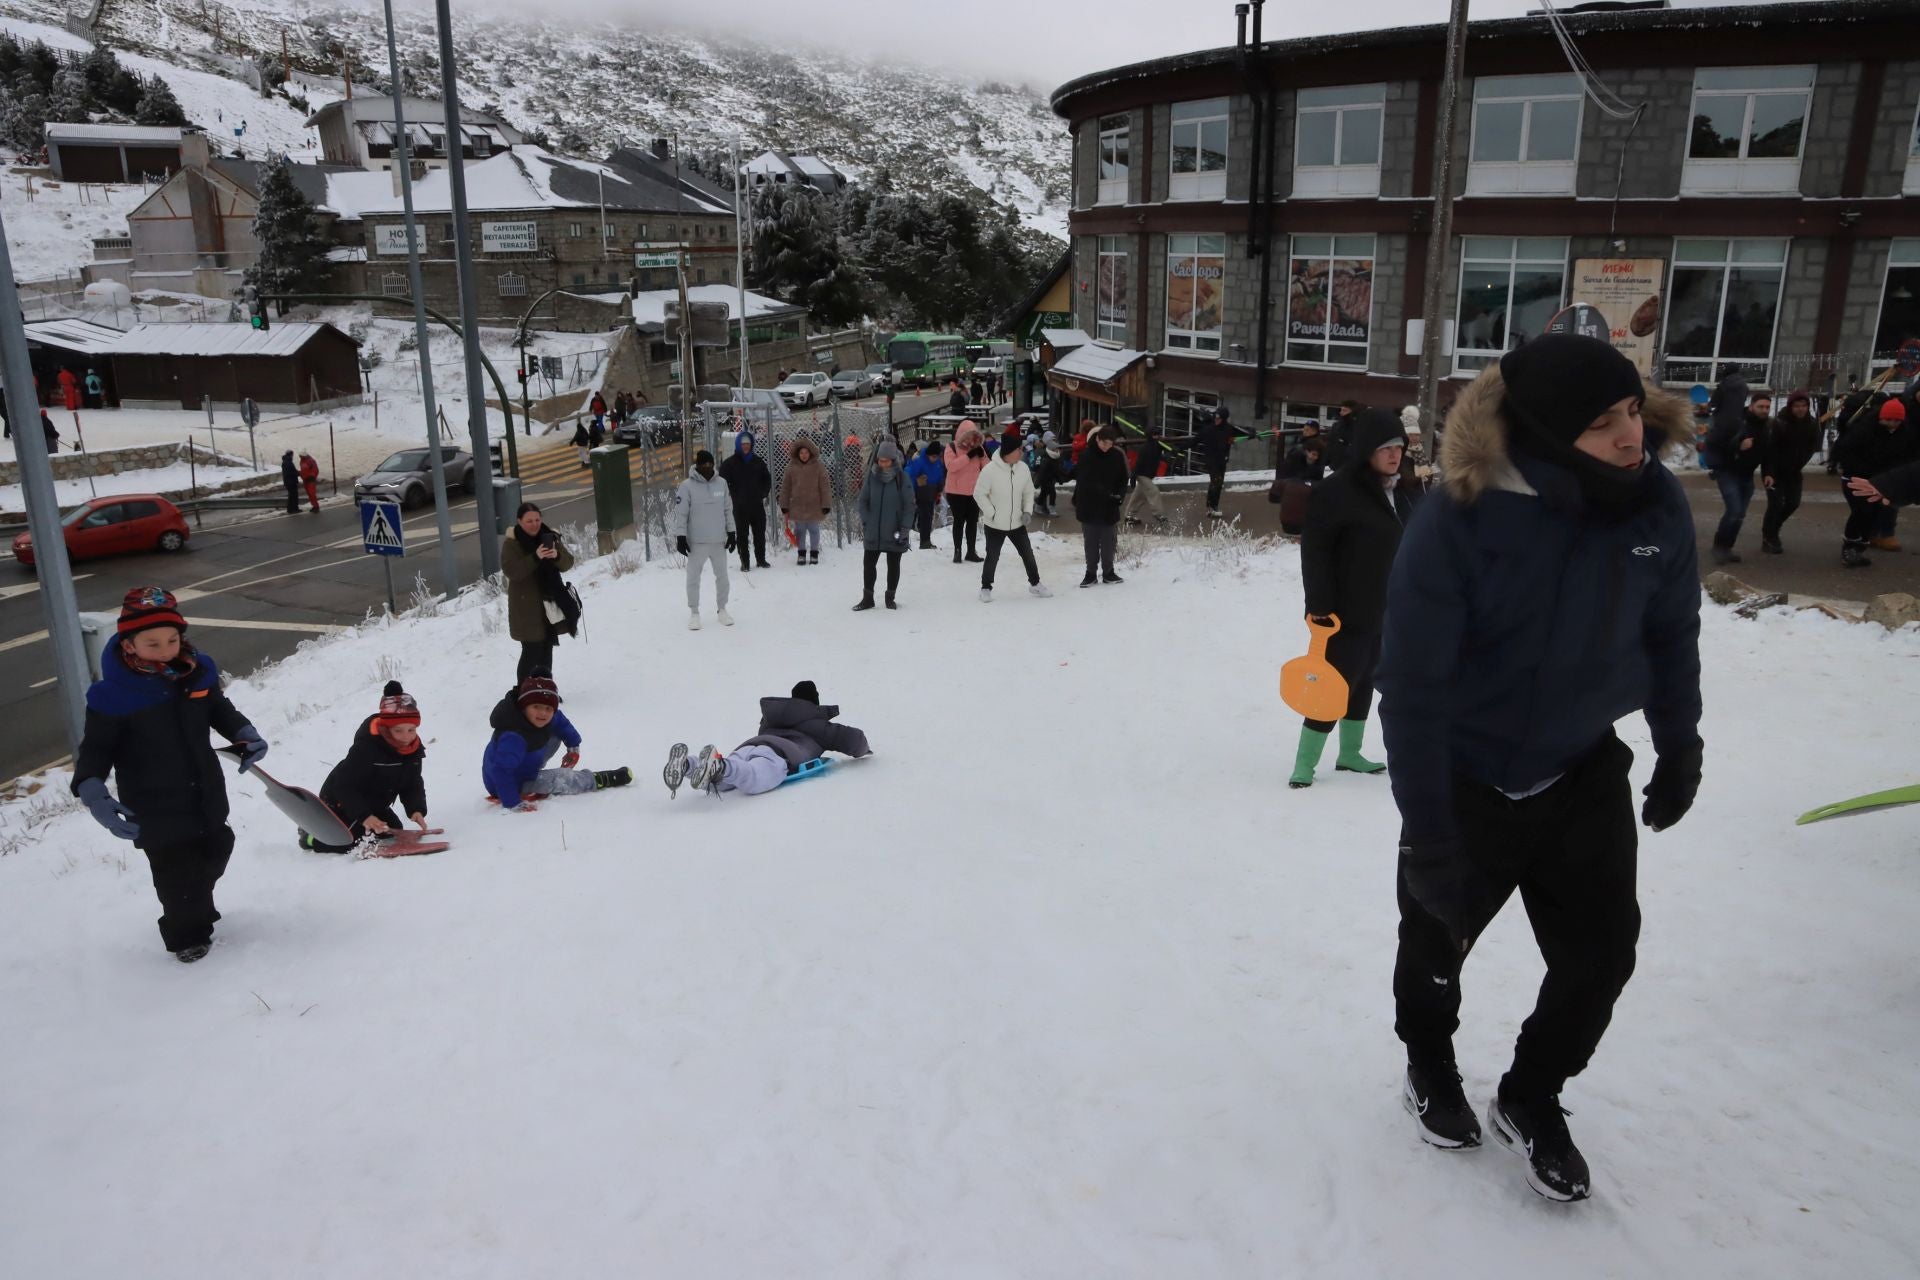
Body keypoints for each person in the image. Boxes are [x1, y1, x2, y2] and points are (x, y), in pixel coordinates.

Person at [1376, 334, 1702, 1202]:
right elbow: (1409, 688)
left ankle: (1532, 1094)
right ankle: (1428, 1060)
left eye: (1634, 411)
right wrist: (1433, 837)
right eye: (1604, 425)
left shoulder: (1654, 505)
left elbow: (1672, 632)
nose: (1633, 436)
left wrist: (1680, 744)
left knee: (1602, 957)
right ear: (1550, 434)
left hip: (1579, 766)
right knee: (1436, 941)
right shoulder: (1462, 514)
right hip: (1466, 773)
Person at [72, 587, 270, 963]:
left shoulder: (195, 673)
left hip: (205, 794)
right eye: (153, 643)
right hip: (154, 806)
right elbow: (96, 750)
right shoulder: (114, 695)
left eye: (172, 640)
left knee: (217, 849)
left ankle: (196, 905)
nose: (165, 650)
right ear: (129, 644)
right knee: (177, 879)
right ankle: (185, 936)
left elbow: (219, 709)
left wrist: (244, 733)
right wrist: (91, 788)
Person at [1291, 409, 1416, 788]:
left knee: (1364, 681)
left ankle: (1350, 753)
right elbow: (1315, 552)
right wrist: (1319, 606)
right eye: (1386, 448)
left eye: (1399, 447)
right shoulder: (1337, 491)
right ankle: (1304, 764)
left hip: (1387, 609)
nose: (1395, 455)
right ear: (1366, 450)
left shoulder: (1401, 489)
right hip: (1344, 611)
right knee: (1333, 683)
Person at [661, 680, 871, 798]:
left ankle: (689, 765)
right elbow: (853, 739)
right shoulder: (817, 724)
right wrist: (865, 749)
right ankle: (719, 766)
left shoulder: (772, 718)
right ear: (814, 703)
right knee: (753, 778)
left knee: (726, 782)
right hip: (781, 753)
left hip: (749, 746)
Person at [301, 681, 431, 852]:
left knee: (392, 831)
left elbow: (412, 783)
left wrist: (416, 809)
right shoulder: (367, 748)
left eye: (411, 730)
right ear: (387, 728)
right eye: (398, 731)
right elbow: (344, 786)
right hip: (340, 801)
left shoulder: (412, 750)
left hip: (375, 803)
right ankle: (309, 836)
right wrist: (365, 817)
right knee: (351, 841)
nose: (406, 737)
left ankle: (363, 822)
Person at [482, 674, 631, 811]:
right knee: (561, 778)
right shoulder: (513, 738)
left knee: (554, 732)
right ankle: (596, 780)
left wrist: (573, 748)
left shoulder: (545, 717)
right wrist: (513, 803)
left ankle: (533, 767)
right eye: (536, 707)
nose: (543, 713)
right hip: (511, 782)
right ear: (523, 707)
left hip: (523, 760)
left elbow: (560, 721)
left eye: (548, 708)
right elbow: (501, 771)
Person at [1835, 397, 1918, 568]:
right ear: (1881, 417)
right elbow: (1845, 452)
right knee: (1861, 512)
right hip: (1856, 478)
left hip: (1880, 481)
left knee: (1874, 514)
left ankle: (1861, 547)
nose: (1893, 424)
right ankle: (1849, 547)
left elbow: (1907, 456)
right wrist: (1864, 471)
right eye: (1888, 420)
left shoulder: (1905, 433)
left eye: (1897, 421)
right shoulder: (1864, 430)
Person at [501, 502, 578, 680]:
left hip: (549, 606)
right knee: (531, 651)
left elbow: (568, 563)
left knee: (547, 647)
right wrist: (536, 557)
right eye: (529, 521)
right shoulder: (512, 544)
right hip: (526, 608)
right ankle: (523, 692)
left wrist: (556, 556)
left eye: (537, 519)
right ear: (519, 521)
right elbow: (513, 571)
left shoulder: (549, 537)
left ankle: (545, 691)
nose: (534, 524)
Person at [974, 427, 1052, 602]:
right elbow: (979, 493)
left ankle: (1035, 584)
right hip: (995, 523)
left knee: (1027, 554)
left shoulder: (1022, 468)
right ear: (1009, 452)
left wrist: (1026, 511)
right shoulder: (990, 470)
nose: (1021, 452)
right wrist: (990, 512)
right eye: (1019, 449)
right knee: (992, 556)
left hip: (1017, 523)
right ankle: (986, 588)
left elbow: (1028, 492)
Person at [1700, 373, 1762, 565]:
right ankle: (1719, 547)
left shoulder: (1758, 424)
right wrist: (1736, 448)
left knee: (1739, 513)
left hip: (1746, 473)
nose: (1765, 410)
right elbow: (1714, 446)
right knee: (1735, 511)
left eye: (1767, 407)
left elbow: (1767, 449)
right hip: (1727, 472)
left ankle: (1726, 547)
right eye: (1761, 406)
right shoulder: (1726, 420)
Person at [674, 449, 737, 629]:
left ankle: (722, 609)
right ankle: (694, 612)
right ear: (698, 465)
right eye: (704, 465)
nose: (707, 468)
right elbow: (681, 513)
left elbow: (727, 509)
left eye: (710, 465)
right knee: (693, 578)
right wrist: (681, 536)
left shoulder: (721, 483)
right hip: (697, 542)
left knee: (722, 577)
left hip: (718, 540)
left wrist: (731, 532)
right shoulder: (686, 486)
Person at [855, 437, 914, 610]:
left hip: (895, 530)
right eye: (880, 460)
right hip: (873, 530)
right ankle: (868, 598)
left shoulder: (902, 479)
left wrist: (904, 528)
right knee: (868, 563)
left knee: (893, 564)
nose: (882, 463)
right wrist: (866, 520)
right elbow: (862, 501)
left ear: (893, 460)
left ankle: (890, 597)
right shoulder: (872, 476)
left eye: (886, 460)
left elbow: (909, 506)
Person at [1758, 390, 1820, 554]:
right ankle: (1769, 537)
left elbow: (1812, 446)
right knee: (1775, 504)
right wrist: (1769, 473)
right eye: (1797, 406)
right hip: (1774, 472)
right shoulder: (1780, 423)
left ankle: (1773, 528)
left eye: (1804, 406)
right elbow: (1770, 450)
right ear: (1791, 407)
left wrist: (1799, 463)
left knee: (1793, 503)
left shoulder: (1812, 424)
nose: (1800, 409)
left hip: (1793, 471)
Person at [1073, 423, 1129, 587]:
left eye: (1110, 444)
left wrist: (1119, 496)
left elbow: (1123, 479)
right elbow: (1084, 482)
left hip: (1109, 506)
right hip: (1089, 506)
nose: (1107, 447)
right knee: (1091, 542)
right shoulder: (1086, 456)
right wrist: (1104, 492)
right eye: (1104, 443)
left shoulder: (1117, 456)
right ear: (1097, 439)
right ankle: (1090, 573)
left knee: (1109, 541)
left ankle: (1108, 572)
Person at [719, 430, 774, 571]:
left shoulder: (758, 462)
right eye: (743, 444)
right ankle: (745, 562)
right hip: (740, 507)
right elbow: (722, 482)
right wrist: (733, 494)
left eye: (748, 444)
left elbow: (767, 479)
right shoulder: (729, 464)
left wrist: (763, 493)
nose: (745, 446)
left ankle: (761, 560)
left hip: (757, 505)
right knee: (742, 535)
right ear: (738, 444)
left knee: (759, 534)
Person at [779, 436, 832, 566]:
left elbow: (825, 487)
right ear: (798, 454)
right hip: (798, 505)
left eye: (806, 452)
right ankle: (801, 553)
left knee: (814, 530)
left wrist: (826, 504)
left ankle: (814, 553)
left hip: (814, 505)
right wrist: (784, 504)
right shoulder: (791, 467)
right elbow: (786, 487)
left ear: (811, 453)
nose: (804, 455)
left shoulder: (818, 467)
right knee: (800, 531)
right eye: (801, 453)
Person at [943, 424, 987, 563]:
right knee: (959, 522)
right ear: (961, 435)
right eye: (968, 436)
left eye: (973, 436)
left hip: (974, 492)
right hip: (956, 492)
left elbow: (987, 468)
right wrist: (968, 456)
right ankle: (957, 551)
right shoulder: (951, 447)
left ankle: (971, 551)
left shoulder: (978, 447)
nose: (970, 440)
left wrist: (983, 457)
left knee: (972, 522)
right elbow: (952, 466)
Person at [1199, 404, 1252, 517]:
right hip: (1211, 458)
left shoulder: (1227, 428)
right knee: (1216, 481)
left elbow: (1237, 430)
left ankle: (1212, 507)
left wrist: (1250, 432)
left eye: (1219, 417)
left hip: (1221, 459)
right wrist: (1205, 416)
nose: (1217, 419)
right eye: (1216, 417)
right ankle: (1211, 507)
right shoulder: (1211, 424)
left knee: (1218, 483)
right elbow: (1204, 430)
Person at [904, 432, 945, 549]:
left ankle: (926, 539)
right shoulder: (919, 462)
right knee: (925, 516)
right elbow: (909, 473)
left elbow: (939, 476)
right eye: (933, 457)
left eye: (936, 457)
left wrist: (939, 490)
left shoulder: (937, 463)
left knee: (929, 516)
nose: (934, 459)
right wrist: (915, 485)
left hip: (931, 493)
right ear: (928, 454)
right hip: (921, 492)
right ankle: (924, 541)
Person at [1122, 429, 1171, 527]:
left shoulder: (1157, 445)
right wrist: (1133, 476)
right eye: (1156, 435)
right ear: (1152, 436)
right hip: (1142, 475)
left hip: (1147, 475)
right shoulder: (1146, 448)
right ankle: (1159, 515)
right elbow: (1138, 463)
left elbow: (1170, 449)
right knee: (1154, 491)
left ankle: (1129, 516)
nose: (1159, 437)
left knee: (1139, 496)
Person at [1033, 429, 1067, 517]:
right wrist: (1038, 481)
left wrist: (1060, 478)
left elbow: (1056, 470)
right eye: (1056, 449)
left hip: (1050, 478)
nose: (1058, 451)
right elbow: (1041, 470)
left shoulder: (1054, 457)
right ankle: (1051, 509)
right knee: (1052, 493)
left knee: (1044, 493)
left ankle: (1038, 507)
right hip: (1045, 479)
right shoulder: (1047, 458)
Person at [280, 449, 301, 514]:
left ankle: (290, 509)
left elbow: (291, 471)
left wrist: (297, 472)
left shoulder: (285, 461)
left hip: (288, 482)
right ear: (291, 454)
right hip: (291, 482)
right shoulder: (288, 462)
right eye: (292, 454)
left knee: (291, 496)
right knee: (294, 496)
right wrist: (299, 473)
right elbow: (291, 472)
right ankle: (294, 509)